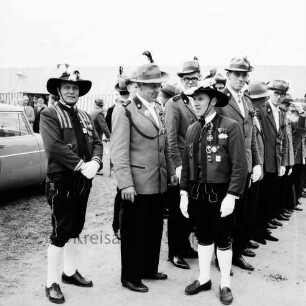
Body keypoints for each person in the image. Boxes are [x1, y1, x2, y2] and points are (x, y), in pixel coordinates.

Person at [111, 63, 175, 293]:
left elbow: (163, 145)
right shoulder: (125, 110)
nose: (155, 89)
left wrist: (170, 174)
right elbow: (118, 151)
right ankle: (130, 276)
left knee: (153, 228)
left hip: (157, 182)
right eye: (149, 85)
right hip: (136, 184)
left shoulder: (158, 108)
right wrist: (125, 183)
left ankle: (149, 268)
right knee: (134, 232)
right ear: (137, 85)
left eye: (157, 85)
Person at [180, 85, 248, 305]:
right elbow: (187, 164)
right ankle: (204, 278)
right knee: (203, 237)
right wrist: (183, 193)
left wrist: (232, 196)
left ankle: (225, 283)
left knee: (223, 240)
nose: (195, 103)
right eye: (193, 100)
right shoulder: (192, 129)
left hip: (221, 194)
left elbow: (239, 166)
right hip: (197, 193)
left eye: (200, 99)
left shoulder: (231, 126)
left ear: (213, 102)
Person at [40, 70, 103, 304]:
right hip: (61, 179)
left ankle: (69, 272)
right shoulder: (49, 114)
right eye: (66, 87)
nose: (71, 91)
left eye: (75, 88)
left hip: (82, 179)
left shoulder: (86, 115)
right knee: (60, 231)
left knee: (75, 228)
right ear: (58, 90)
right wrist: (80, 165)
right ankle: (51, 282)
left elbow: (97, 141)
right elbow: (54, 146)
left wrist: (96, 161)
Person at [218, 57, 262, 272]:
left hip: (245, 167)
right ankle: (222, 255)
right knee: (226, 214)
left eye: (244, 75)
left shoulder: (246, 101)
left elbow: (251, 135)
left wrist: (257, 163)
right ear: (228, 75)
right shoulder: (220, 100)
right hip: (226, 167)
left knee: (243, 212)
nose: (241, 78)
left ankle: (237, 253)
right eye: (237, 74)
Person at [164, 59, 200, 270]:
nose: (190, 81)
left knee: (191, 210)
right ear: (181, 80)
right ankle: (174, 252)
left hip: (197, 167)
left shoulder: (201, 101)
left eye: (194, 78)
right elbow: (170, 139)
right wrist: (176, 167)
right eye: (186, 79)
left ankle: (185, 245)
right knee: (177, 211)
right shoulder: (174, 103)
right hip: (181, 167)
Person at [256, 80, 288, 243]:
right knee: (261, 200)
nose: (279, 97)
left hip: (275, 162)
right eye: (276, 93)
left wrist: (282, 162)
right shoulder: (262, 110)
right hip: (264, 162)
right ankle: (257, 231)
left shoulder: (281, 113)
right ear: (270, 93)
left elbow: (281, 139)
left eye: (282, 94)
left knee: (269, 198)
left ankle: (264, 228)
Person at [90, 98, 110, 175]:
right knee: (98, 151)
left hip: (91, 135)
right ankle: (97, 168)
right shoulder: (99, 113)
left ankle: (94, 168)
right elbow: (104, 126)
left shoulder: (92, 111)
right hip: (97, 136)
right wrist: (109, 136)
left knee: (92, 152)